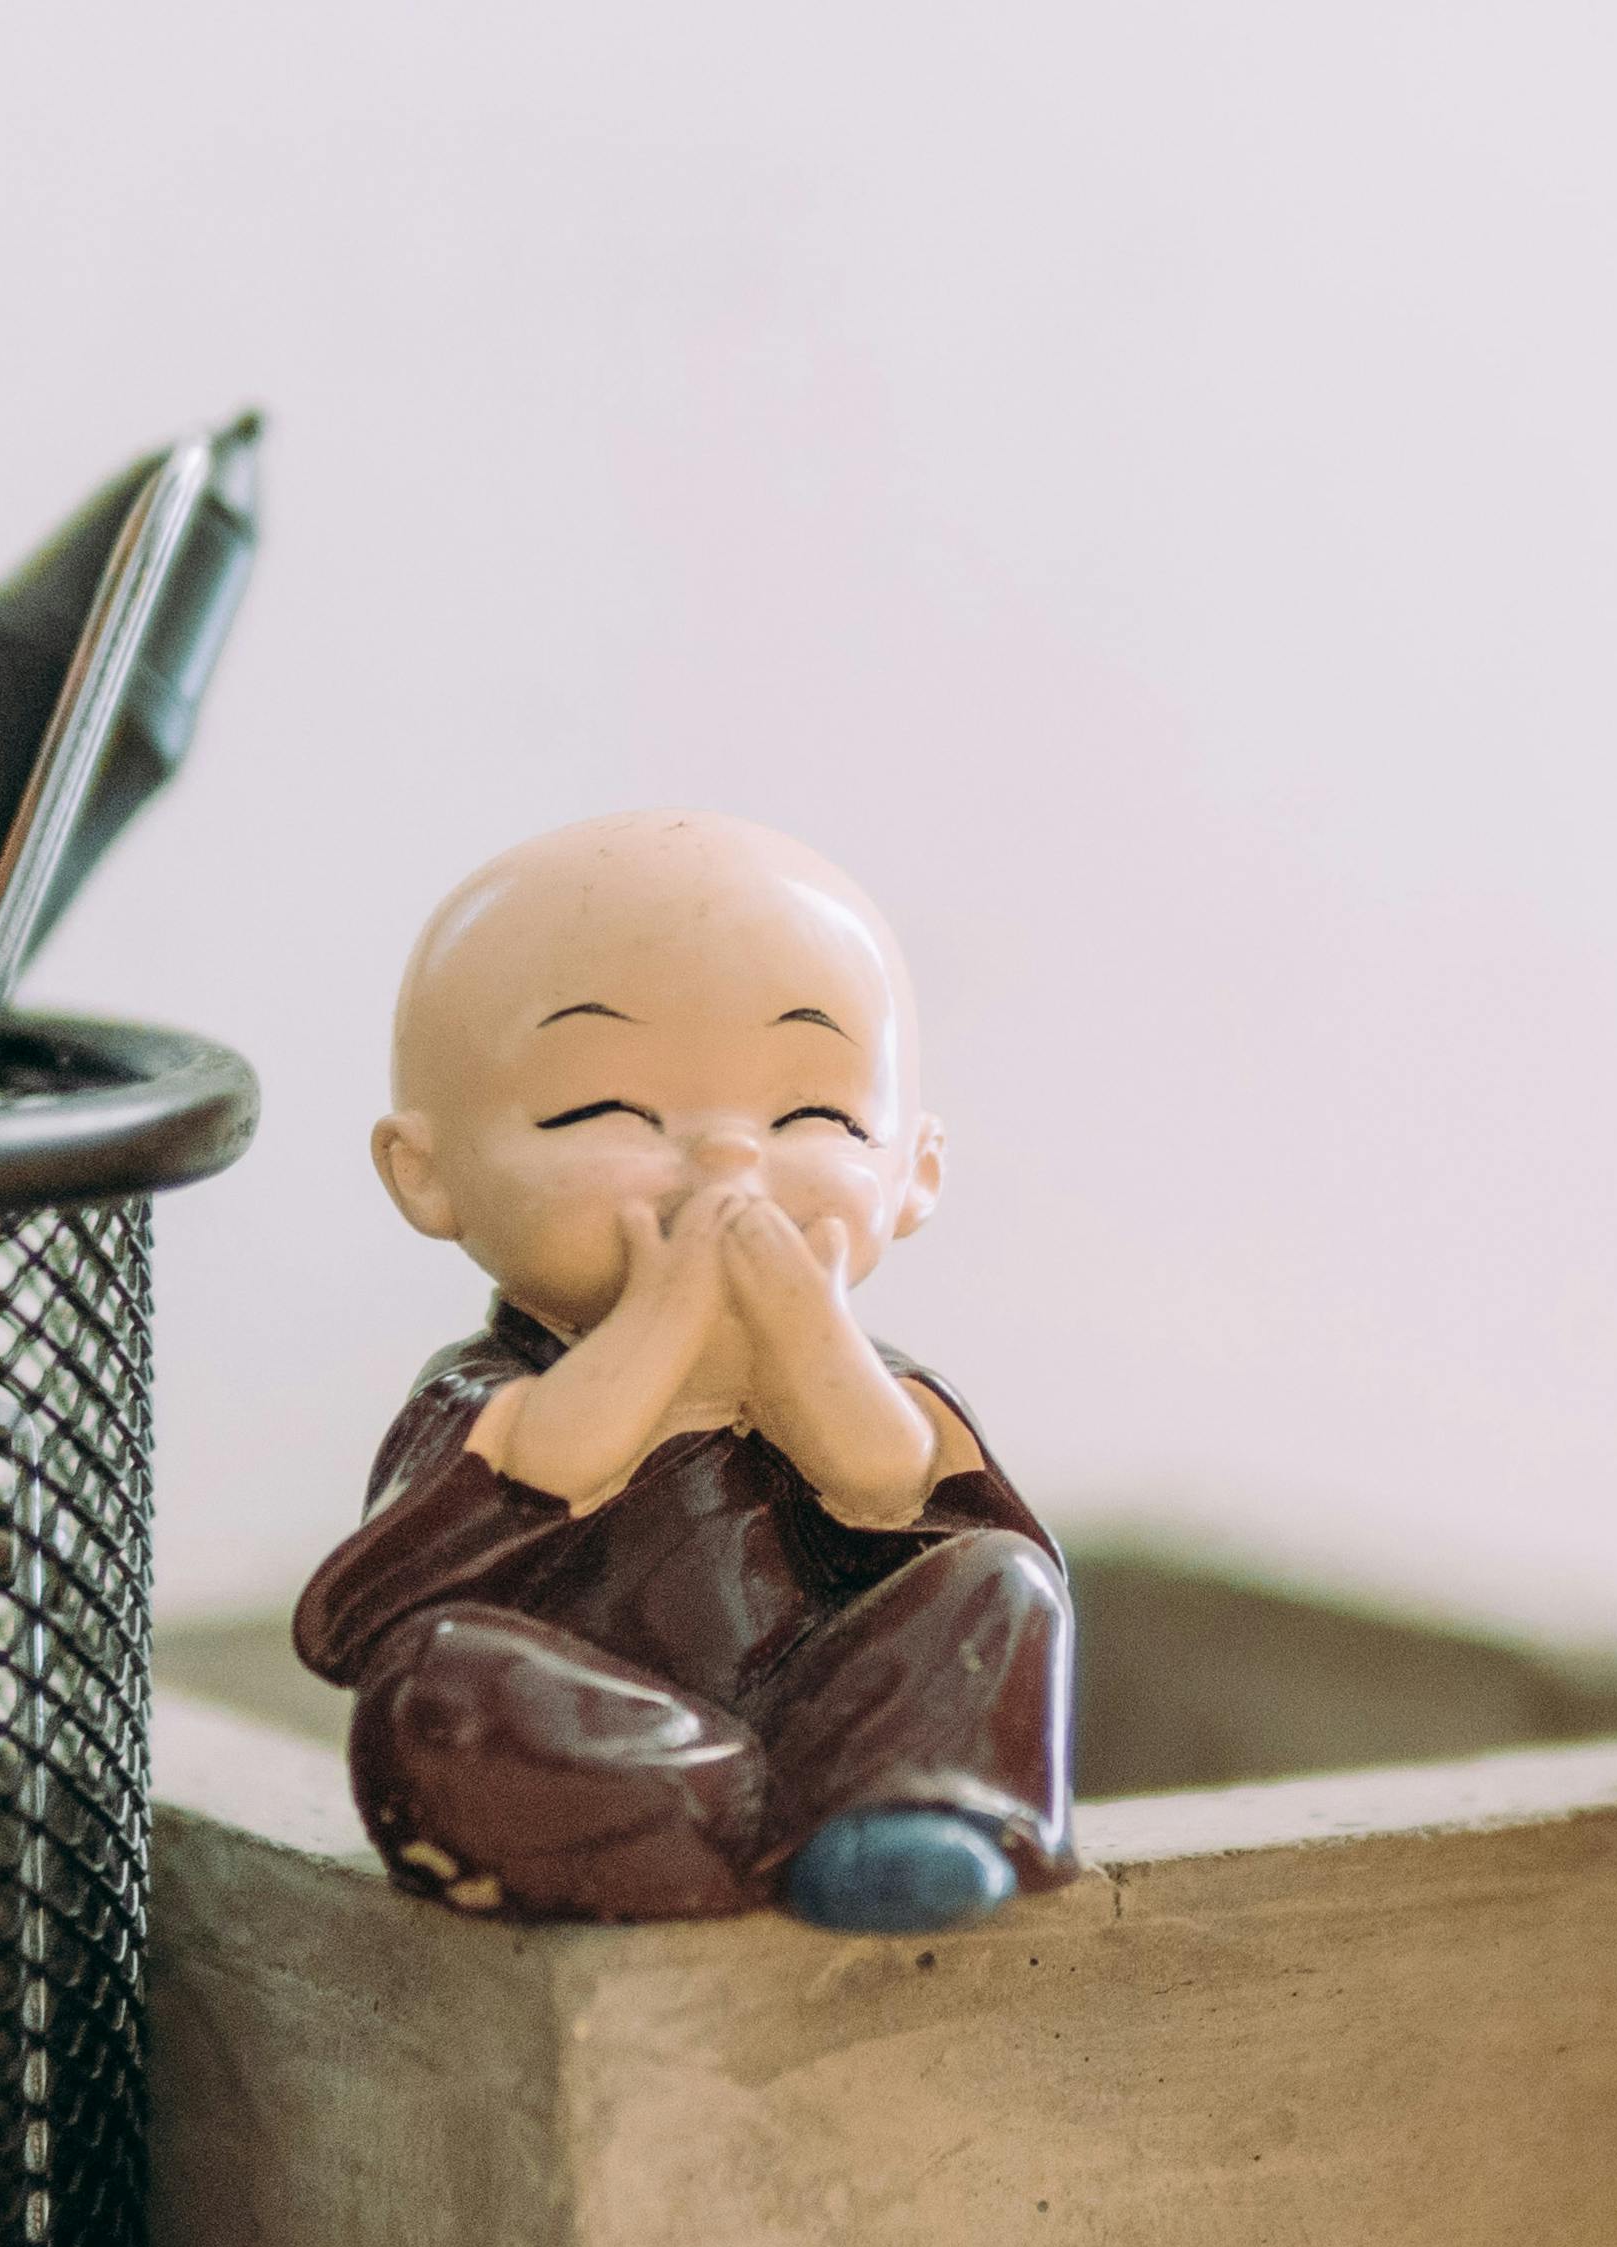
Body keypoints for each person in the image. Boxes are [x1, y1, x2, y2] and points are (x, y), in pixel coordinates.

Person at [294, 809, 1077, 1935]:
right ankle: (742, 1823)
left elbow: (892, 1482)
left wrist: (804, 1337)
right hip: (609, 1733)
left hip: (828, 1702)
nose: (725, 1157)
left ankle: (894, 1808)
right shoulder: (485, 1396)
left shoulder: (865, 1378)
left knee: (1001, 1583)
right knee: (435, 1688)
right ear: (426, 1174)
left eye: (811, 1113)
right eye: (602, 1109)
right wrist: (656, 1326)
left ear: (915, 1172)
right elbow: (414, 1571)